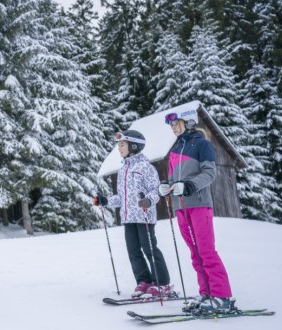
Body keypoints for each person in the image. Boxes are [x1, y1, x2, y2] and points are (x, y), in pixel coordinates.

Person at [159, 112, 234, 314]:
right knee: (195, 253)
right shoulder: (174, 149)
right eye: (171, 125)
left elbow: (210, 173)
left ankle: (221, 296)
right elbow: (174, 177)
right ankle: (207, 293)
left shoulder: (202, 144)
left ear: (188, 122)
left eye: (177, 123)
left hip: (199, 204)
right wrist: (166, 187)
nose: (174, 128)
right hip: (180, 207)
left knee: (206, 251)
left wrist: (190, 186)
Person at [94, 130, 173, 297]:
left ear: (134, 146)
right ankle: (144, 281)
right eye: (118, 145)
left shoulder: (146, 167)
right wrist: (106, 201)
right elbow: (122, 198)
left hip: (144, 216)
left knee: (149, 249)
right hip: (128, 218)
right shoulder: (123, 170)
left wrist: (149, 200)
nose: (119, 148)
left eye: (122, 145)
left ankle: (163, 283)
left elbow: (156, 190)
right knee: (133, 251)